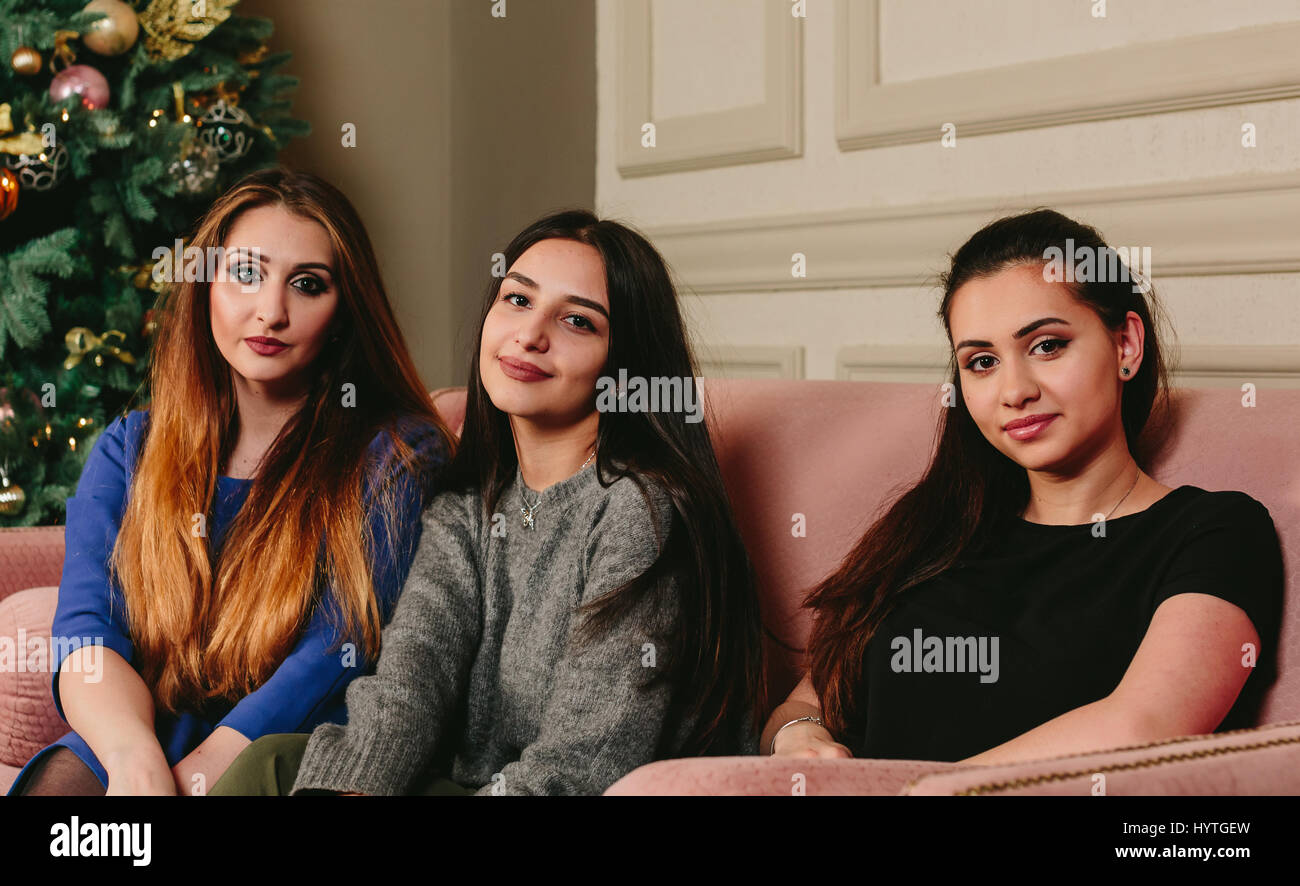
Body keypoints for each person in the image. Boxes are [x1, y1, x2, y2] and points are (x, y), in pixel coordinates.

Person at [210, 209, 768, 795]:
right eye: (517, 301)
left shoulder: (640, 511)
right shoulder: (470, 501)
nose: (529, 335)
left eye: (578, 321)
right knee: (271, 765)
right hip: (473, 785)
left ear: (625, 362)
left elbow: (584, 764)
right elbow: (410, 681)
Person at [764, 208, 1284, 765]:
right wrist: (799, 737)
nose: (1014, 391)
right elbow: (807, 699)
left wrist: (909, 794)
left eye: (1047, 346)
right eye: (982, 361)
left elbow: (1146, 726)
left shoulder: (1216, 532)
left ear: (1126, 345)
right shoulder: (934, 528)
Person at [9, 168, 454, 795]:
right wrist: (135, 762)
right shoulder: (130, 448)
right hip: (147, 731)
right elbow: (88, 628)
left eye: (307, 285)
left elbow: (330, 660)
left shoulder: (397, 456)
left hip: (284, 750)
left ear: (345, 311)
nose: (271, 311)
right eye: (246, 273)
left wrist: (193, 783)